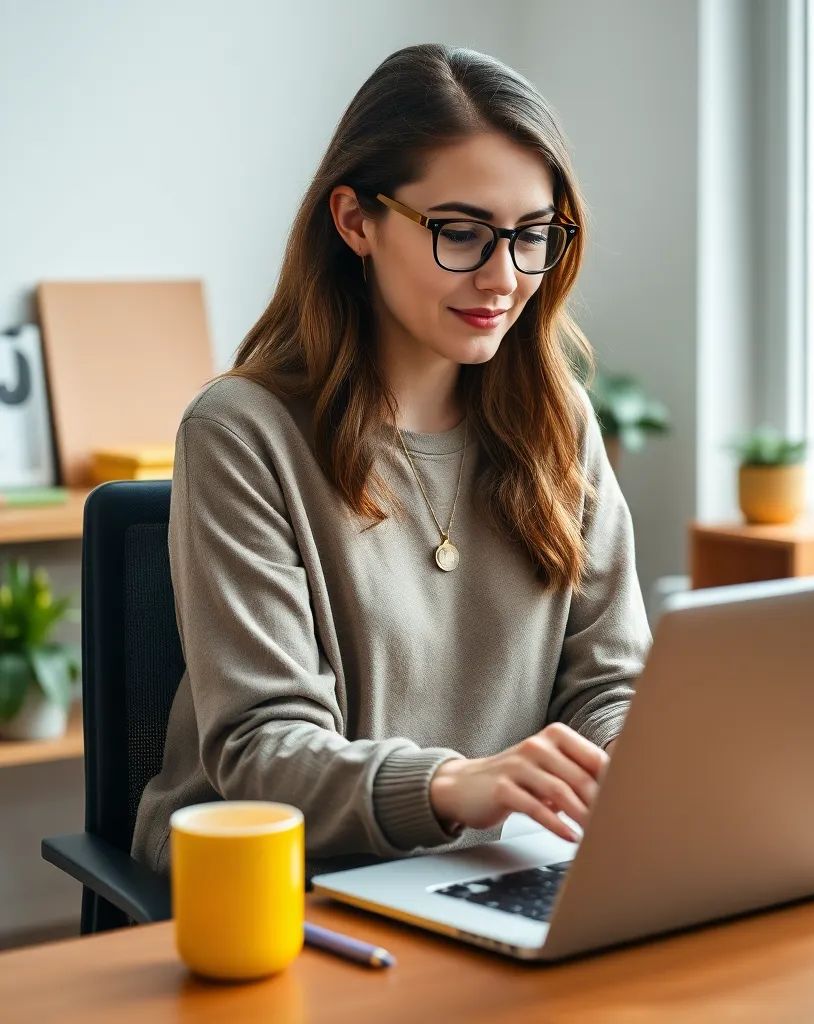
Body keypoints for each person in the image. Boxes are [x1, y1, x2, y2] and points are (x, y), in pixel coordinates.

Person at [132, 43, 651, 878]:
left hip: (491, 867)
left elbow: (608, 686)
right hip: (284, 883)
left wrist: (634, 764)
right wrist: (454, 785)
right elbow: (266, 750)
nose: (503, 278)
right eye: (461, 233)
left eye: (531, 236)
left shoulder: (560, 423)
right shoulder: (241, 433)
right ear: (355, 221)